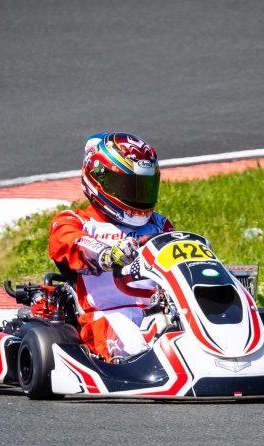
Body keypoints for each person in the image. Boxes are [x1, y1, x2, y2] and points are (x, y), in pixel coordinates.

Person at [49, 132, 175, 362]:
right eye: (127, 186)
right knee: (139, 355)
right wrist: (105, 254)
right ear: (99, 180)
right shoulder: (76, 222)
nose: (137, 195)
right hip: (108, 316)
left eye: (144, 187)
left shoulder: (159, 224)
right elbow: (69, 242)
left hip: (159, 313)